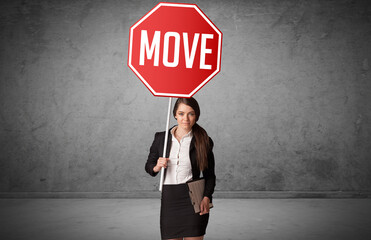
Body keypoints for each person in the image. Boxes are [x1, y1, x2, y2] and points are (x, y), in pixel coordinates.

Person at [145, 97, 216, 240]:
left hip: (194, 197)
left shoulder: (204, 140)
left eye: (191, 114)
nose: (186, 118)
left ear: (196, 116)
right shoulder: (161, 138)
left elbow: (210, 176)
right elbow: (149, 166)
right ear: (175, 114)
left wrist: (206, 197)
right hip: (170, 198)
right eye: (181, 113)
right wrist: (157, 166)